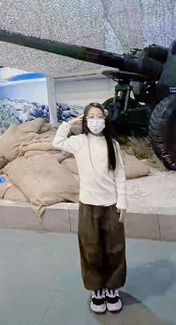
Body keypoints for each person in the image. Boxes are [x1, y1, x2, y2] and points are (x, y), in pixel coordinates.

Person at [52, 102, 127, 314]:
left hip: (111, 204)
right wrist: (68, 124)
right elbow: (57, 142)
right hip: (88, 205)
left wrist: (122, 202)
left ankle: (112, 288)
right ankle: (97, 290)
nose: (96, 121)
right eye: (91, 117)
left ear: (105, 119)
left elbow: (120, 175)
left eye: (99, 116)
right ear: (85, 120)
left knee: (115, 248)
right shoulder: (79, 142)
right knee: (91, 248)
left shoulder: (113, 145)